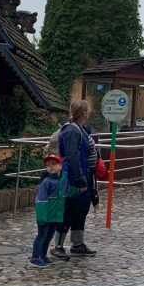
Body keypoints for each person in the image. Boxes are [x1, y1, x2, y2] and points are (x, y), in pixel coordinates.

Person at [51, 99, 97, 258]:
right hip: (73, 177)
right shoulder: (71, 131)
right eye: (87, 110)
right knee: (69, 210)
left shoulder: (81, 129)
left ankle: (78, 244)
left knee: (81, 210)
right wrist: (79, 179)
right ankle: (57, 245)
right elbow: (72, 157)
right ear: (84, 113)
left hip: (83, 175)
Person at [30, 155, 65, 268]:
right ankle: (35, 257)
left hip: (55, 214)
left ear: (61, 166)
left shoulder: (63, 180)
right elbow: (40, 200)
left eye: (54, 164)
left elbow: (68, 192)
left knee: (49, 235)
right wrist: (41, 216)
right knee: (41, 235)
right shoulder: (46, 182)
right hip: (46, 214)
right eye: (48, 165)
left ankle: (43, 254)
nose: (51, 166)